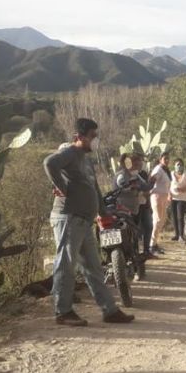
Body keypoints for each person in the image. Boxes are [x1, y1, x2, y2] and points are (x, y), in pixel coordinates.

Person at [43, 118, 135, 327]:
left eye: (96, 136)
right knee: (66, 265)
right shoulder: (70, 153)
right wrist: (61, 186)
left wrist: (103, 213)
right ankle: (63, 311)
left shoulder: (86, 160)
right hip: (68, 218)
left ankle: (109, 310)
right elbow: (49, 163)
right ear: (79, 137)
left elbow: (95, 189)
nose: (95, 140)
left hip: (84, 221)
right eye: (92, 136)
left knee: (94, 267)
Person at [148, 152, 171, 254]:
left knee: (162, 220)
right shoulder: (158, 169)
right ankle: (151, 245)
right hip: (157, 196)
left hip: (163, 197)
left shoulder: (165, 170)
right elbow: (152, 180)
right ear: (160, 159)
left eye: (168, 159)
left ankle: (154, 243)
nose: (167, 160)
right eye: (165, 158)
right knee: (157, 220)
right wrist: (147, 190)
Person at [135, 154, 155, 258]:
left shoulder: (143, 174)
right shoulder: (129, 174)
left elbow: (147, 188)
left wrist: (149, 202)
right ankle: (136, 253)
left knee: (149, 226)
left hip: (145, 204)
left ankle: (146, 251)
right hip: (134, 206)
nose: (140, 163)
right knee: (136, 230)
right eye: (137, 160)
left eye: (141, 160)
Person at [169, 158, 186, 242]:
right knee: (174, 216)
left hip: (182, 198)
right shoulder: (171, 174)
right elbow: (167, 185)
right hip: (173, 197)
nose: (179, 166)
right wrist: (169, 194)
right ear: (174, 166)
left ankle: (181, 235)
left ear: (183, 166)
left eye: (180, 164)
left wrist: (182, 189)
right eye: (177, 164)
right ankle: (176, 234)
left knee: (180, 216)